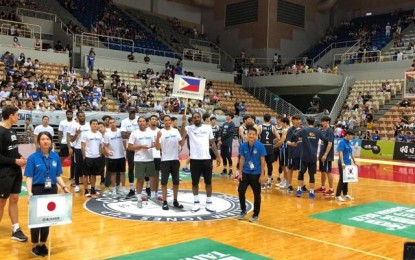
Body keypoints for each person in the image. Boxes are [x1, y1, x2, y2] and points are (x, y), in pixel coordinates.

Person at [24, 131, 69, 256]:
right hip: (37, 190)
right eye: (42, 139)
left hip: (51, 190)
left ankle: (43, 243)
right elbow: (29, 177)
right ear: (39, 142)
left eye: (47, 139)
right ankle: (35, 244)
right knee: (36, 220)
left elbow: (57, 175)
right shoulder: (33, 158)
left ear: (51, 141)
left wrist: (64, 187)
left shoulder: (55, 156)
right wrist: (29, 192)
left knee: (47, 219)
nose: (45, 141)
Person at [180, 112, 221, 212]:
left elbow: (212, 143)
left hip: (207, 159)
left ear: (200, 118)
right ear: (193, 119)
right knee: (195, 183)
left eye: (198, 117)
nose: (197, 119)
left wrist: (218, 156)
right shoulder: (189, 128)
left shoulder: (208, 128)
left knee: (208, 183)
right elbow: (182, 135)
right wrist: (183, 122)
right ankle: (196, 202)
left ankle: (209, 203)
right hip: (194, 160)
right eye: (195, 118)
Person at [0, 106, 28, 242]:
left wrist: (20, 157)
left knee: (15, 199)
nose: (18, 117)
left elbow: (13, 150)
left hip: (15, 171)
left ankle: (15, 229)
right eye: (17, 115)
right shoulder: (0, 131)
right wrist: (15, 160)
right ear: (11, 115)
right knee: (1, 202)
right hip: (4, 172)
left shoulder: (12, 130)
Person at [291, 117, 327, 199]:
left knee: (301, 173)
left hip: (304, 156)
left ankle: (299, 190)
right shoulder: (318, 131)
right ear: (314, 123)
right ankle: (311, 192)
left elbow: (295, 136)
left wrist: (295, 133)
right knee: (311, 175)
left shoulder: (303, 130)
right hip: (313, 157)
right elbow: (325, 139)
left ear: (307, 122)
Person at [154, 115, 185, 210]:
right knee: (164, 182)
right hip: (164, 161)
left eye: (168, 120)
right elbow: (157, 148)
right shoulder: (160, 132)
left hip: (175, 160)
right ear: (163, 121)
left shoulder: (175, 131)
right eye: (165, 120)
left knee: (176, 182)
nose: (167, 122)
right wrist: (157, 138)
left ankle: (175, 200)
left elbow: (182, 144)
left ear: (171, 121)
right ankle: (165, 201)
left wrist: (183, 131)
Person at [237, 127, 266, 222]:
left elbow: (262, 161)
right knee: (241, 191)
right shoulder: (243, 145)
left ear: (256, 136)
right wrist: (240, 173)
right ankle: (243, 210)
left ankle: (256, 214)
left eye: (253, 134)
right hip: (245, 173)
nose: (251, 136)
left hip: (256, 174)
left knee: (257, 194)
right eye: (250, 134)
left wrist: (262, 175)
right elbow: (241, 159)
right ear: (247, 135)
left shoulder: (260, 146)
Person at [128, 117, 157, 208]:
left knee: (152, 178)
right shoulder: (134, 133)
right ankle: (139, 198)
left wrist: (154, 144)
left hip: (150, 159)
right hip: (139, 160)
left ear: (146, 122)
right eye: (140, 121)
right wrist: (140, 146)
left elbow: (153, 144)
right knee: (140, 179)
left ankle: (153, 196)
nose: (142, 123)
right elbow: (129, 147)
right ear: (138, 123)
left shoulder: (151, 133)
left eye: (143, 121)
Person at [103, 118, 126, 196]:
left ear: (116, 123)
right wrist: (107, 151)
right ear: (109, 124)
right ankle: (113, 188)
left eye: (113, 122)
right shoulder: (107, 134)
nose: (112, 124)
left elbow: (126, 139)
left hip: (121, 155)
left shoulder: (121, 132)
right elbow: (105, 146)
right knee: (113, 173)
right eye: (110, 123)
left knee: (122, 173)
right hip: (112, 157)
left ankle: (123, 188)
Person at [69, 111, 91, 193]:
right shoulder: (74, 126)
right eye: (80, 116)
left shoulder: (89, 125)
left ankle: (88, 184)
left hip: (88, 148)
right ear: (77, 117)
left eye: (83, 116)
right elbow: (71, 139)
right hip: (78, 148)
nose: (82, 117)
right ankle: (77, 185)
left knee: (88, 166)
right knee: (77, 167)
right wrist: (76, 134)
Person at [81, 119, 103, 197]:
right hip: (88, 157)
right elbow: (82, 145)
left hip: (97, 157)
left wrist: (100, 155)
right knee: (86, 174)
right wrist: (84, 156)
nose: (95, 125)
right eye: (93, 124)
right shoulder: (86, 134)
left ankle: (93, 189)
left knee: (94, 174)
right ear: (90, 125)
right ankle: (86, 190)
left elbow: (101, 145)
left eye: (96, 124)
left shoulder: (99, 134)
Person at [258, 113, 279, 189]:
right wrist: (272, 141)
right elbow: (278, 138)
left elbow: (256, 137)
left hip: (262, 147)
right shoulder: (273, 127)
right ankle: (269, 182)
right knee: (269, 165)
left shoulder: (260, 126)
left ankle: (262, 182)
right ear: (270, 119)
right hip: (270, 147)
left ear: (263, 119)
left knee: (262, 165)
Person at [120, 108, 138, 198]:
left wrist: (129, 133)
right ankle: (131, 188)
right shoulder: (124, 121)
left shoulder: (139, 119)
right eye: (131, 112)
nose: (132, 114)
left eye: (134, 112)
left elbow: (141, 133)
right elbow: (123, 135)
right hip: (130, 148)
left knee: (143, 168)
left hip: (139, 148)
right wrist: (135, 133)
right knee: (131, 168)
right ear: (128, 112)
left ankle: (147, 187)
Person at [315, 116, 335, 196]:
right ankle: (323, 187)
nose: (322, 123)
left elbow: (330, 143)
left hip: (327, 155)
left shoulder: (330, 131)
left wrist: (325, 154)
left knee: (328, 172)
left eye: (323, 121)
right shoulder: (323, 130)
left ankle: (331, 189)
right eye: (322, 121)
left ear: (328, 122)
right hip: (322, 154)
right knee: (322, 171)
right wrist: (320, 154)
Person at [336, 130, 357, 202]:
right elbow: (340, 152)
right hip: (343, 164)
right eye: (351, 136)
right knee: (342, 179)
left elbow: (351, 153)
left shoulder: (349, 142)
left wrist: (354, 161)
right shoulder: (342, 142)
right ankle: (337, 195)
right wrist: (342, 162)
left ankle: (345, 194)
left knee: (346, 179)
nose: (352, 138)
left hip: (348, 163)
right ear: (347, 135)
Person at [218, 112, 235, 176]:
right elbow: (221, 131)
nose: (226, 116)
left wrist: (221, 139)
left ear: (230, 116)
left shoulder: (232, 124)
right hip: (222, 143)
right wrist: (219, 137)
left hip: (227, 143)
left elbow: (229, 134)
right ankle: (224, 170)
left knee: (228, 157)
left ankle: (230, 171)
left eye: (227, 115)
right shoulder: (224, 123)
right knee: (223, 156)